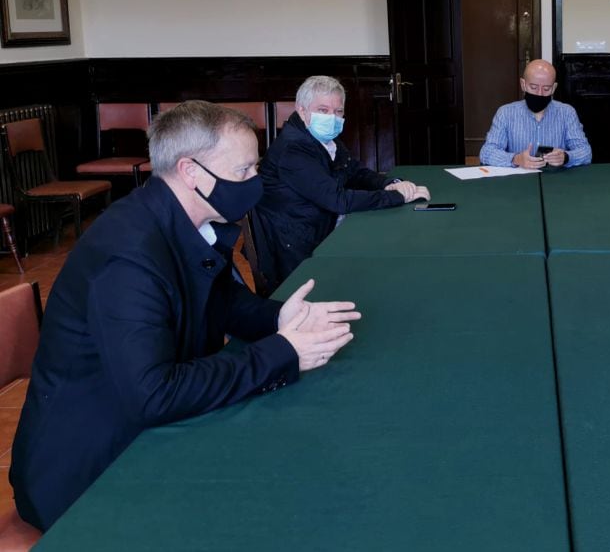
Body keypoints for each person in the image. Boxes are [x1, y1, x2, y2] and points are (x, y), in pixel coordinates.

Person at [10, 101, 361, 530]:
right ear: (191, 172)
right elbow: (154, 394)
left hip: (146, 437)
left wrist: (277, 318)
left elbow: (223, 299)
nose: (257, 181)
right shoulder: (130, 256)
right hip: (88, 472)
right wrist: (282, 352)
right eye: (244, 171)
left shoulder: (183, 218)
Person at [252, 76, 430, 291]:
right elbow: (337, 200)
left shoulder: (324, 140)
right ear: (302, 110)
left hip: (320, 227)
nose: (332, 118)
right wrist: (397, 197)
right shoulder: (294, 149)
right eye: (323, 110)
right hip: (298, 247)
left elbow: (356, 172)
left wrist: (390, 183)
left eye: (338, 112)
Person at [478, 59, 592, 169]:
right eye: (534, 87)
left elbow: (586, 152)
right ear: (523, 84)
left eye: (546, 88)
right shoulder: (506, 113)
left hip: (555, 180)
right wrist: (516, 159)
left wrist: (566, 157)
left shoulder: (567, 113)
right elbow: (487, 152)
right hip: (517, 181)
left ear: (554, 88)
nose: (540, 94)